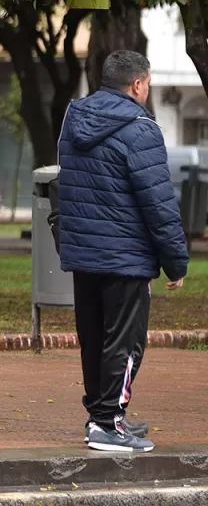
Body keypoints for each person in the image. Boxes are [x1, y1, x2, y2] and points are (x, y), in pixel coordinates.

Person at [57, 49, 187, 454]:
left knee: (94, 338)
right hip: (127, 257)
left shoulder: (73, 120)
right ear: (137, 84)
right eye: (148, 84)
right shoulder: (141, 129)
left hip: (85, 254)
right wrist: (175, 261)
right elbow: (158, 203)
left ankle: (101, 414)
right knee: (125, 342)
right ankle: (107, 424)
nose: (148, 90)